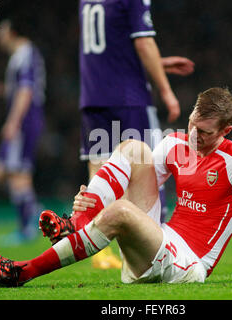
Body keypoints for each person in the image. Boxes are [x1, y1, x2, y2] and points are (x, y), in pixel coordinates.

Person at [0, 87, 232, 286]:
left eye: (206, 133)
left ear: (226, 130)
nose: (195, 136)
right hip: (156, 245)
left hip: (188, 265)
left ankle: (22, 272)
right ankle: (76, 222)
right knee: (134, 148)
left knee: (120, 211)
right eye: (192, 125)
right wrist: (91, 200)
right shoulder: (176, 145)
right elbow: (131, 183)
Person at [78, 0, 195, 268]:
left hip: (92, 95)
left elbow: (110, 49)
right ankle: (153, 251)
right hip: (127, 97)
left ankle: (98, 251)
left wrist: (158, 63)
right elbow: (143, 43)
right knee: (146, 168)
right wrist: (166, 90)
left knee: (99, 172)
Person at [0, 18, 45, 246]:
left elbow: (26, 91)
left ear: (13, 32)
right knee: (12, 172)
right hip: (27, 119)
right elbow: (18, 89)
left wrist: (13, 122)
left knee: (15, 173)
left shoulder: (24, 53)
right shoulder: (23, 55)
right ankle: (35, 217)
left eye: (2, 30)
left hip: (25, 121)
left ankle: (29, 227)